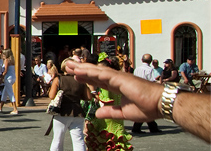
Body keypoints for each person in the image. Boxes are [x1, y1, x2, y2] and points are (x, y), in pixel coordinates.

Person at [70, 60, 211, 144]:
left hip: (135, 94)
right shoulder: (151, 70)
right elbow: (157, 79)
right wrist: (159, 98)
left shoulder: (136, 70)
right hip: (138, 93)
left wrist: (159, 99)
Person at [84, 55, 133, 151]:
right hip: (118, 113)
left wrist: (94, 95)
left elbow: (106, 99)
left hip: (107, 115)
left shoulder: (106, 82)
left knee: (106, 140)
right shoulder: (119, 79)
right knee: (116, 139)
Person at [46, 60, 91, 151]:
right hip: (77, 112)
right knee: (79, 140)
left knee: (58, 138)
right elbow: (88, 97)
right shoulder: (80, 80)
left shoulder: (59, 79)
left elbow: (51, 96)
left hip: (62, 112)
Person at [131, 54, 161, 135]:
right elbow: (151, 81)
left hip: (137, 90)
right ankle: (141, 127)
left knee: (144, 109)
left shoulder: (137, 69)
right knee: (146, 109)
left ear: (142, 60)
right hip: (145, 91)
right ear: (150, 61)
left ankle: (151, 126)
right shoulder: (149, 70)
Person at [0, 48, 19, 114]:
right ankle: (0, 106)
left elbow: (5, 71)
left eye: (4, 54)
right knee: (5, 92)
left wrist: (1, 77)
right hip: (13, 77)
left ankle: (15, 109)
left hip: (8, 78)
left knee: (10, 93)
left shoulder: (6, 60)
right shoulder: (12, 60)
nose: (3, 55)